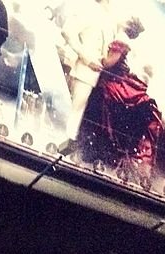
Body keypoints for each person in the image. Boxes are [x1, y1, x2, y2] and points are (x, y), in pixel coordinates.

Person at [78, 16, 165, 189]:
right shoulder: (127, 43)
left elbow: (107, 63)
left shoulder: (121, 41)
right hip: (118, 84)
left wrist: (89, 58)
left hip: (113, 85)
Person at [57, 0, 117, 151]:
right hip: (84, 70)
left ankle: (69, 147)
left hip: (99, 76)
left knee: (82, 113)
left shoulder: (109, 17)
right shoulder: (89, 9)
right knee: (75, 111)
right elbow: (67, 31)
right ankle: (62, 148)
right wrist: (87, 58)